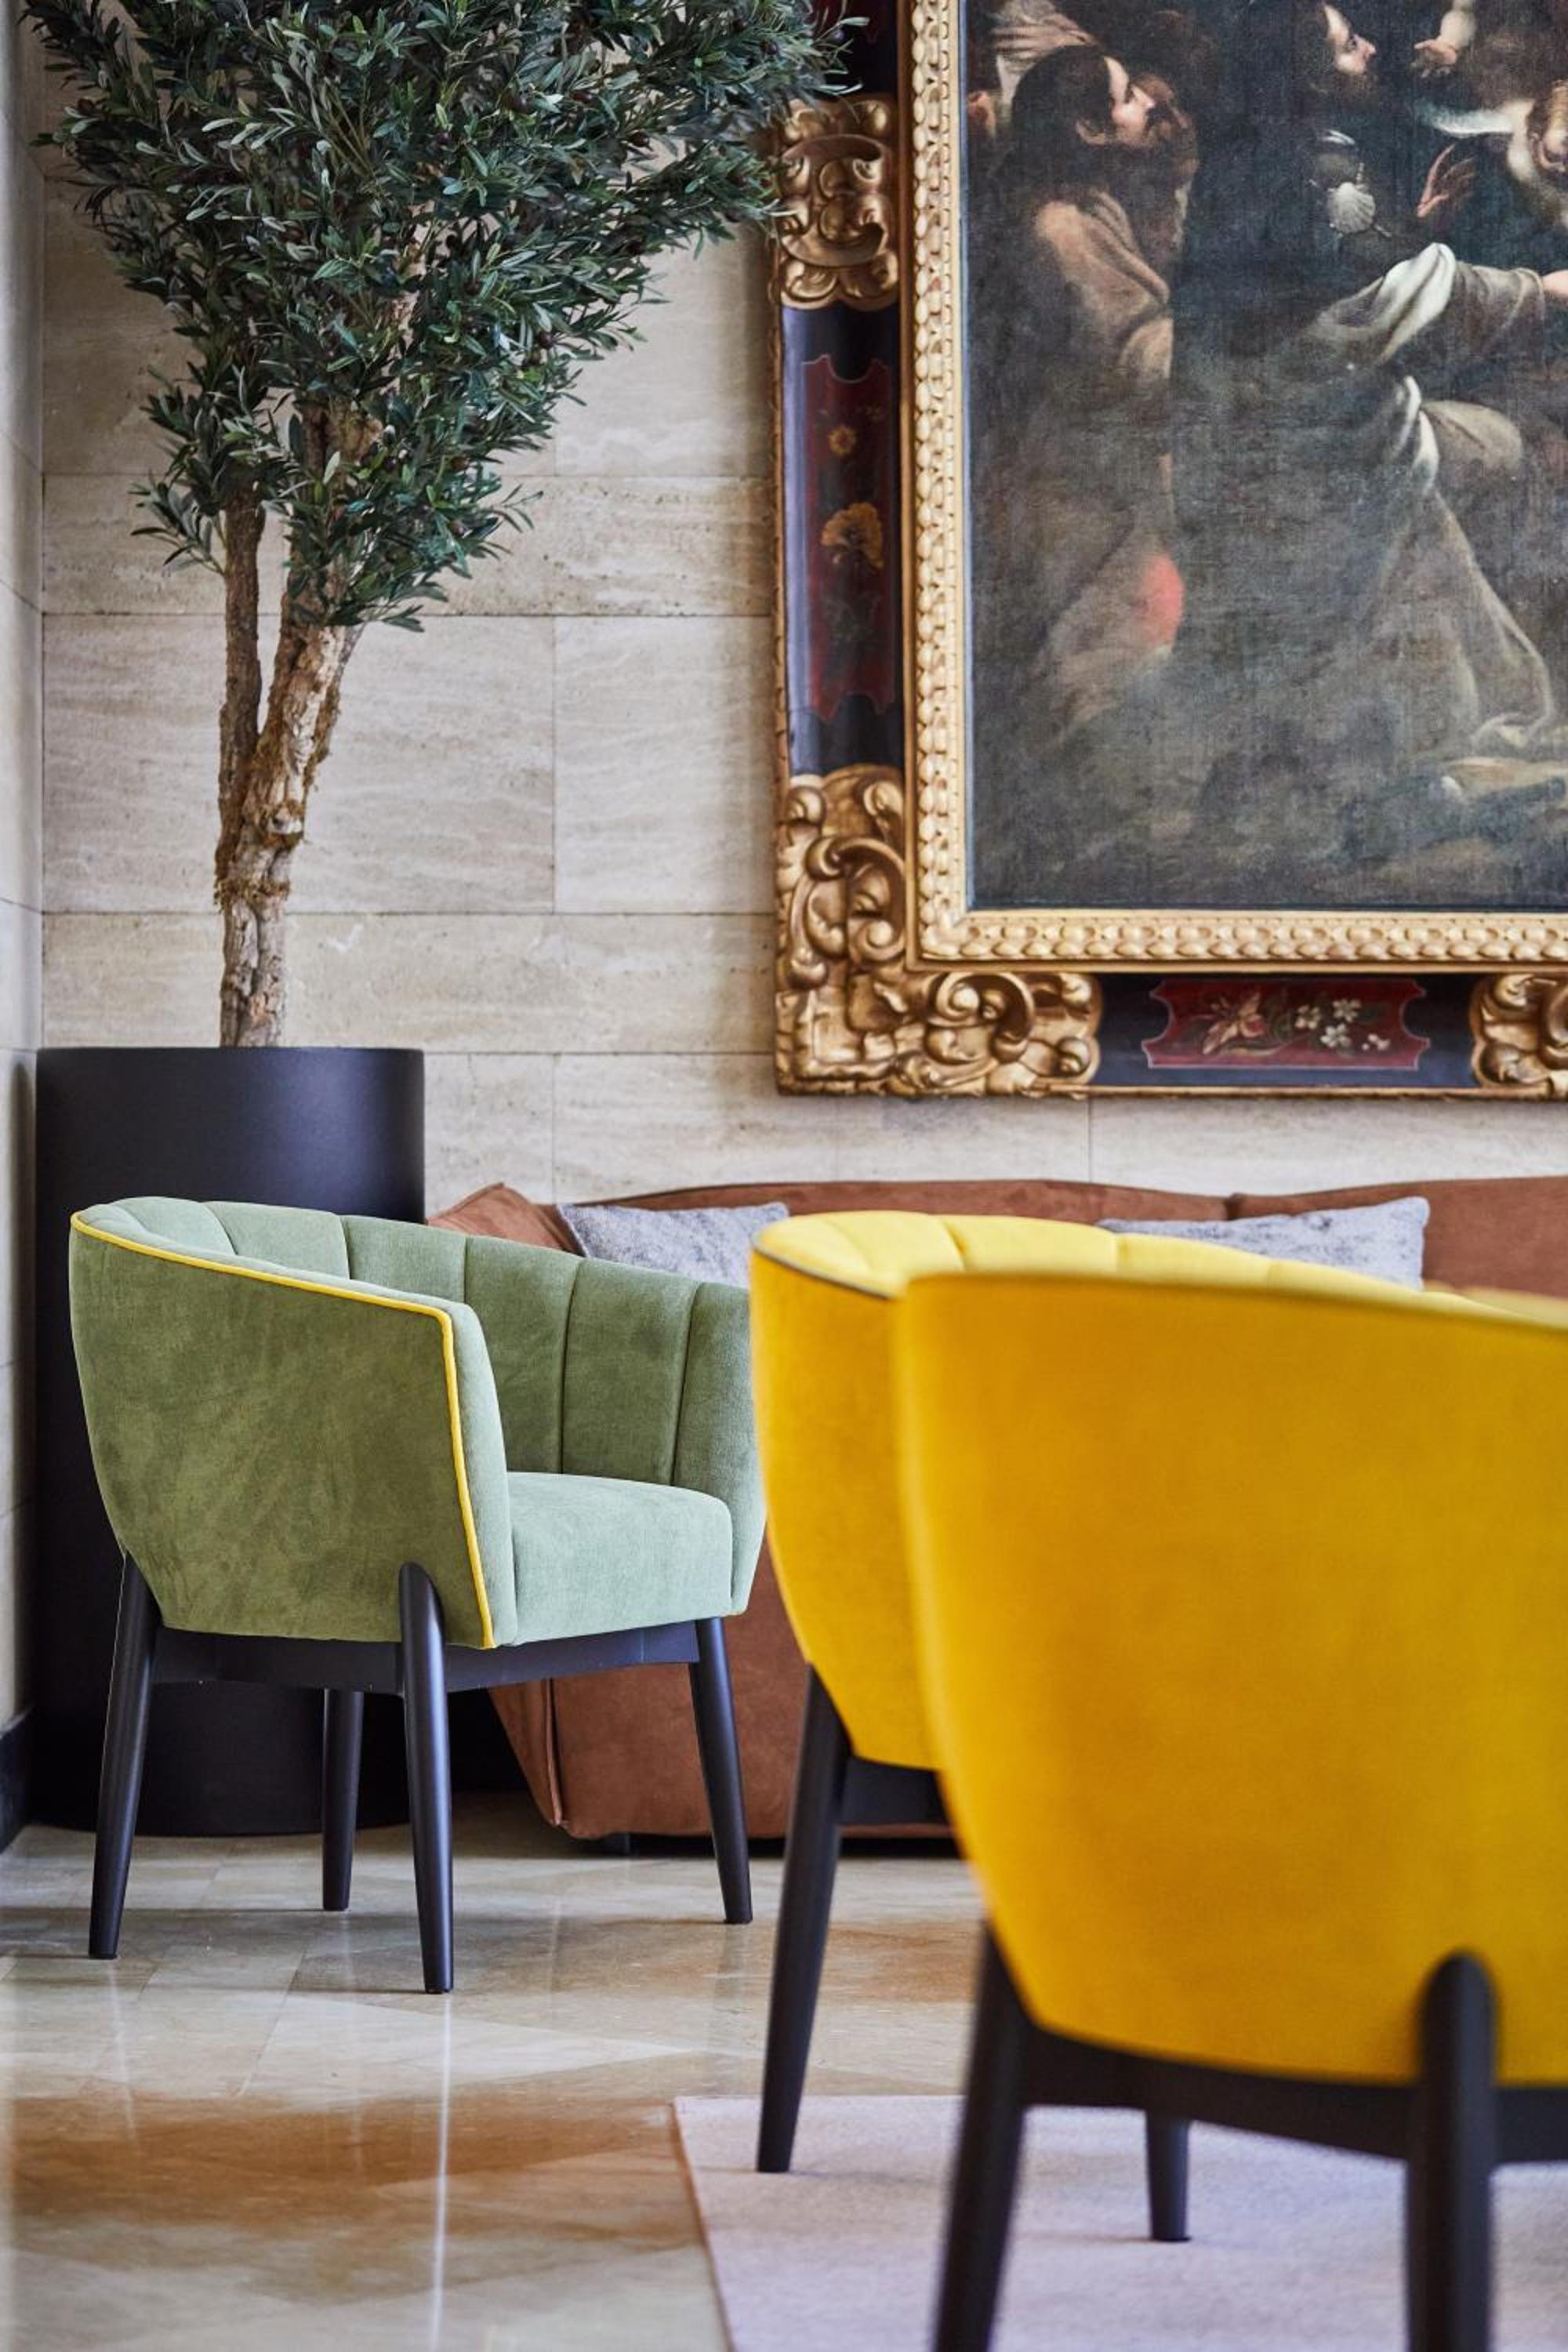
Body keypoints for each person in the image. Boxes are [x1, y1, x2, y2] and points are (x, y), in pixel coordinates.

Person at [1163, 0, 1568, 832]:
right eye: (1348, 46)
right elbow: (1373, 308)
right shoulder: (1320, 157)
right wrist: (1539, 295)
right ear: (1309, 75)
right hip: (1308, 439)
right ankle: (1394, 771)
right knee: (1464, 491)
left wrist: (1412, 233)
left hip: (1250, 429)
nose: (1370, 50)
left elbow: (1321, 277)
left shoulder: (1253, 155)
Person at [972, 45, 1196, 747]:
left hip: (1106, 448)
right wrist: (1228, 345)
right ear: (1091, 129)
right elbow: (1135, 359)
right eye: (1128, 96)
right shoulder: (1060, 229)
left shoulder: (1092, 199)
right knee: (1118, 653)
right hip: (1082, 478)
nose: (1147, 101)